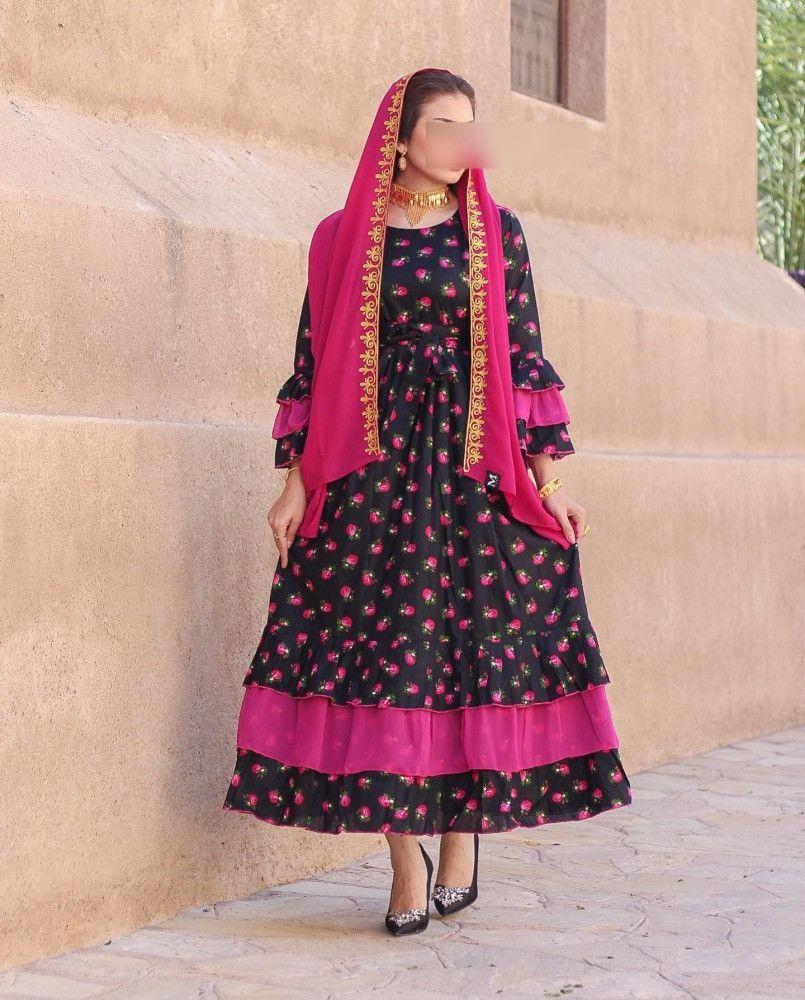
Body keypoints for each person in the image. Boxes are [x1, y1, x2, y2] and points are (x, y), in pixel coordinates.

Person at [223, 67, 632, 936]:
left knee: (467, 655)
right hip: (370, 476)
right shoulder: (341, 237)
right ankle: (403, 859)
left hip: (474, 477)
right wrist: (295, 481)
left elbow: (523, 358)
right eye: (446, 127)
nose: (465, 144)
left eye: (471, 127)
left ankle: (458, 838)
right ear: (399, 139)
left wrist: (550, 483)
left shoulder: (497, 232)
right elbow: (315, 361)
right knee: (379, 657)